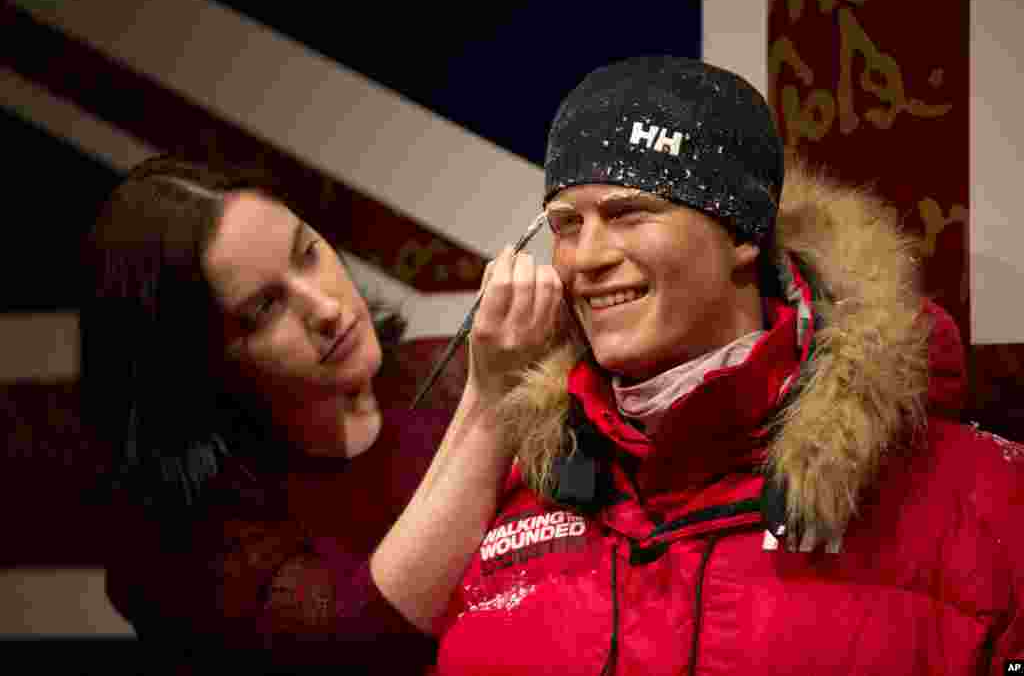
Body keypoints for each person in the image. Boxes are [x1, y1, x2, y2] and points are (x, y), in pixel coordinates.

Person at [430, 56, 1024, 674]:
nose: (586, 257)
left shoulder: (986, 500)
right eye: (566, 224)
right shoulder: (518, 495)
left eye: (629, 212)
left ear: (742, 233)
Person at [81, 155, 562, 673]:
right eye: (264, 309)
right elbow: (359, 643)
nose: (327, 310)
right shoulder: (178, 550)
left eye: (307, 252)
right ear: (194, 365)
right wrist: (490, 407)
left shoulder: (444, 373)